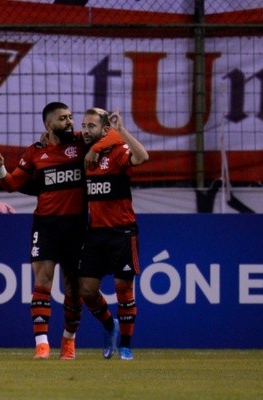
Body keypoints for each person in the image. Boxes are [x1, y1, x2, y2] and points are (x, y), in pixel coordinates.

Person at [0, 102, 119, 360]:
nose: (70, 122)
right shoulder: (35, 152)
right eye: (63, 119)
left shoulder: (82, 142)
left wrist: (97, 148)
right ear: (48, 125)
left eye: (70, 117)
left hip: (76, 226)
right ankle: (42, 346)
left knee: (73, 287)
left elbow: (112, 134)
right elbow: (12, 183)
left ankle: (68, 341)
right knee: (42, 280)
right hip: (46, 225)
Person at [79, 107, 149, 361]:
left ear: (104, 129)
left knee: (123, 289)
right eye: (84, 126)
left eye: (91, 126)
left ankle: (126, 345)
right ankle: (110, 325)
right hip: (95, 232)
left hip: (122, 231)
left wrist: (122, 132)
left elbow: (142, 157)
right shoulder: (83, 151)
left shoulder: (117, 151)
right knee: (86, 290)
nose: (85, 131)